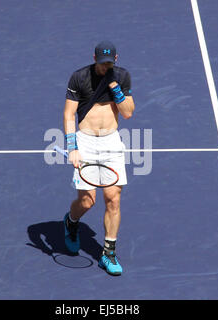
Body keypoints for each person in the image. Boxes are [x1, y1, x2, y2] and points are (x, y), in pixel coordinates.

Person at [62, 40, 135, 276]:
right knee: (87, 202)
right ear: (94, 59)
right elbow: (69, 114)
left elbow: (128, 113)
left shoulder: (122, 77)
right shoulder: (79, 77)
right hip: (85, 141)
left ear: (115, 59)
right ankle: (71, 222)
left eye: (109, 62)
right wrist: (72, 146)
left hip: (111, 141)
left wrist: (115, 88)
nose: (105, 66)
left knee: (113, 198)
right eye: (101, 63)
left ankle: (108, 253)